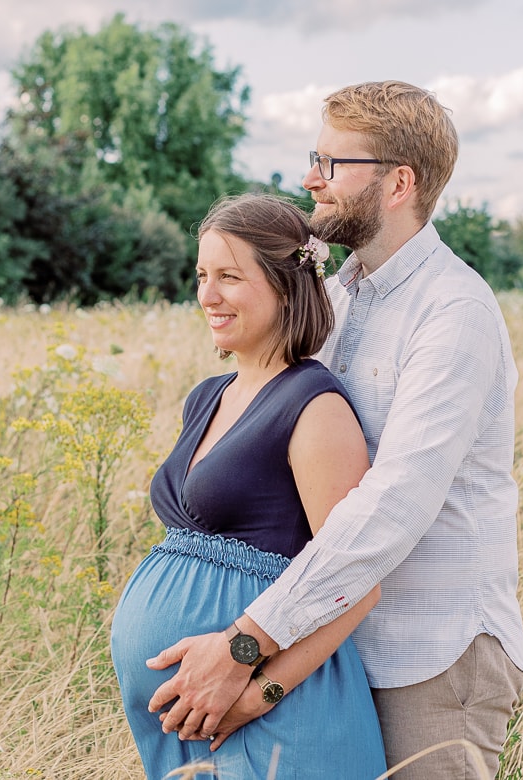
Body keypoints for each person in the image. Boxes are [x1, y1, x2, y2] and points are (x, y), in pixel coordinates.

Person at [145, 80, 523, 779]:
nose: (308, 179)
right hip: (326, 646)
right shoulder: (337, 297)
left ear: (398, 183)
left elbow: (392, 506)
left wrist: (245, 646)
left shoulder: (453, 312)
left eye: (332, 163)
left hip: (426, 658)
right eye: (312, 157)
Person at [110, 193, 388, 779]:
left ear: (287, 286)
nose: (207, 296)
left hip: (275, 723)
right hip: (192, 724)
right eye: (202, 275)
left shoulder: (315, 407)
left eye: (230, 277)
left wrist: (253, 696)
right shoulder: (207, 396)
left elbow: (356, 585)